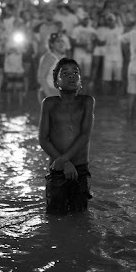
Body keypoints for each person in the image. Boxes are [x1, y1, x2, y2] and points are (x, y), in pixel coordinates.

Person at [38, 58, 95, 214]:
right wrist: (64, 163)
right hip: (57, 170)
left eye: (75, 72)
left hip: (80, 169)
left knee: (80, 216)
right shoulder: (49, 103)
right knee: (55, 217)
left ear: (81, 82)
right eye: (65, 73)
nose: (71, 76)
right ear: (56, 83)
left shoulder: (87, 102)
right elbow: (43, 138)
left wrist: (64, 160)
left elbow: (85, 135)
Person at [37, 32, 67, 101]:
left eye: (62, 41)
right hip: (50, 91)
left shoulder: (62, 58)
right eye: (58, 41)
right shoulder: (49, 57)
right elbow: (41, 77)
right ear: (51, 44)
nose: (61, 43)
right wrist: (49, 95)